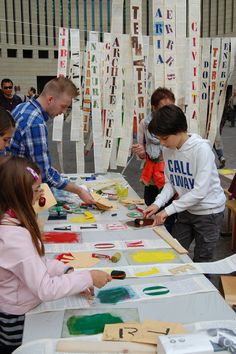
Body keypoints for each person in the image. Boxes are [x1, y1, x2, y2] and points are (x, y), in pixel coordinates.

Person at [0, 156, 111, 354]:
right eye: (36, 190)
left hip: (19, 308)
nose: (41, 193)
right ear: (19, 194)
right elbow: (45, 289)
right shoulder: (15, 238)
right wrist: (88, 277)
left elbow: (37, 262)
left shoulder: (12, 222)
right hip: (18, 321)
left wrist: (67, 271)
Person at [143, 105, 225, 262]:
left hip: (209, 212)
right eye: (159, 138)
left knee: (203, 259)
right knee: (175, 250)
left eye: (164, 138)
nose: (162, 143)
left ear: (180, 130)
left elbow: (200, 192)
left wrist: (167, 211)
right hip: (186, 208)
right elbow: (171, 183)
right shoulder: (168, 149)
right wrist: (157, 204)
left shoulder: (201, 149)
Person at [9, 76, 94, 204]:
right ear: (50, 99)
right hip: (19, 191)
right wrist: (79, 191)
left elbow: (32, 158)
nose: (64, 112)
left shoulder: (23, 107)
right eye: (63, 106)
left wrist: (50, 168)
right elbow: (44, 174)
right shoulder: (35, 123)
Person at [132, 88, 175, 206]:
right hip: (151, 176)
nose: (168, 112)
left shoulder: (176, 122)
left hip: (170, 175)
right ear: (154, 108)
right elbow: (141, 154)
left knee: (169, 212)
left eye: (171, 108)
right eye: (163, 108)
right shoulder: (144, 124)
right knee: (150, 205)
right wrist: (141, 152)